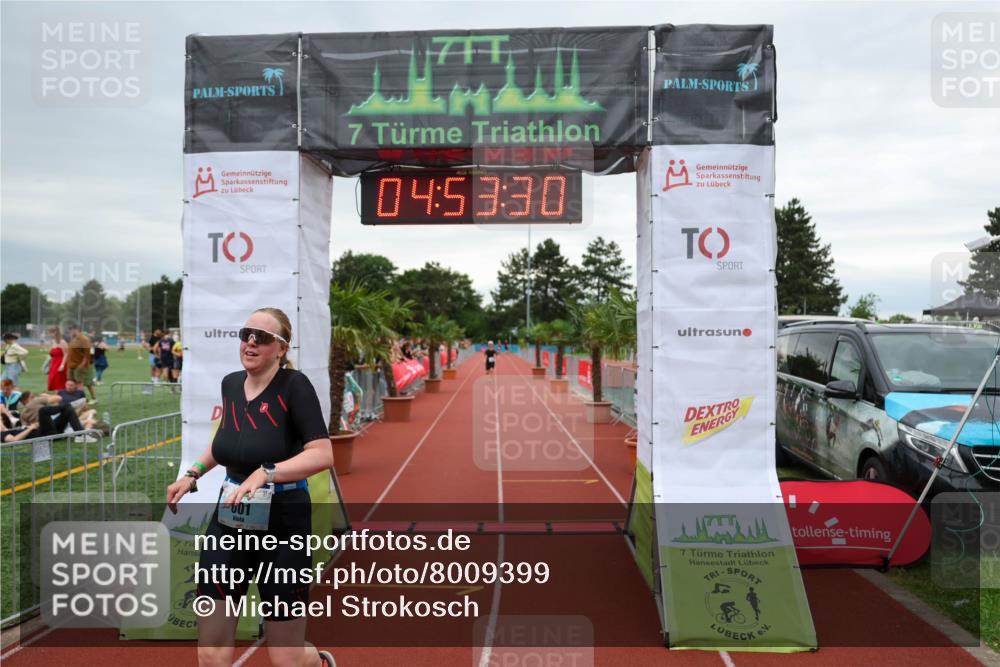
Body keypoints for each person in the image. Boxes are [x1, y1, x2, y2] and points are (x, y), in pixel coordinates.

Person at [166, 307, 335, 667]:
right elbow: (226, 441)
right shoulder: (230, 383)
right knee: (211, 650)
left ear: (282, 348)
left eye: (263, 337)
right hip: (229, 519)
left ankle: (316, 662)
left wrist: (267, 472)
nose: (251, 342)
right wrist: (192, 473)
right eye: (246, 334)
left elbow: (322, 454)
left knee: (286, 657)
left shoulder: (295, 386)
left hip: (285, 524)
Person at [18, 390, 97, 442]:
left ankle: (80, 434)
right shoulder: (36, 401)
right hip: (50, 430)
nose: (35, 397)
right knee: (65, 408)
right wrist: (46, 396)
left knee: (69, 410)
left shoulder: (22, 414)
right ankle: (80, 434)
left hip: (49, 431)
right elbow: (58, 398)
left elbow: (24, 428)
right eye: (32, 396)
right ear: (27, 399)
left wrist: (33, 426)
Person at [66, 324, 97, 402]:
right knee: (73, 383)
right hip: (72, 365)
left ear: (77, 330)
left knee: (81, 384)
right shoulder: (73, 339)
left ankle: (86, 399)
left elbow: (87, 355)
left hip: (80, 365)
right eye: (70, 330)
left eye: (72, 330)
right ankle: (80, 399)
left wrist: (81, 366)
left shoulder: (84, 339)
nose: (70, 332)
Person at [46, 326, 68, 391]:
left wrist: (62, 365)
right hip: (54, 363)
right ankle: (58, 395)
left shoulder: (62, 342)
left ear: (55, 332)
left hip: (60, 363)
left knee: (59, 381)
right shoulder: (53, 341)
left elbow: (66, 354)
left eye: (50, 333)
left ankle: (61, 396)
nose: (49, 334)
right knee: (54, 381)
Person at [145, 328, 163, 393]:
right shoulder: (151, 338)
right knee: (153, 367)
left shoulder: (161, 338)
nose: (160, 332)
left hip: (160, 355)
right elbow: (148, 347)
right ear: (155, 331)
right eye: (159, 330)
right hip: (152, 354)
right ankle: (153, 379)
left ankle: (157, 380)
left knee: (159, 368)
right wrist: (153, 349)